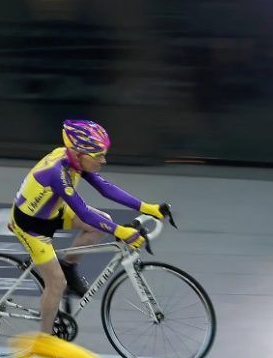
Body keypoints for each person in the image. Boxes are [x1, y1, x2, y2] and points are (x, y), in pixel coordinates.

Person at [10, 119, 167, 335]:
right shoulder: (57, 172)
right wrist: (121, 231)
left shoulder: (74, 159)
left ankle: (69, 265)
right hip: (31, 226)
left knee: (100, 222)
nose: (104, 160)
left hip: (51, 212)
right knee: (56, 283)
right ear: (80, 154)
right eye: (99, 156)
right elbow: (83, 212)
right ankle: (44, 340)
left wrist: (147, 207)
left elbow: (106, 189)